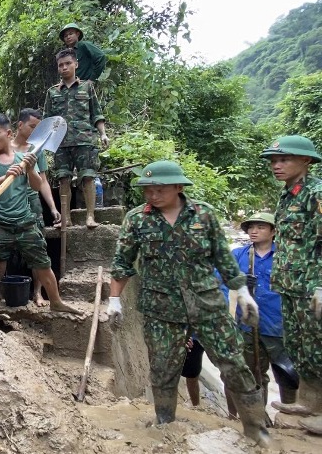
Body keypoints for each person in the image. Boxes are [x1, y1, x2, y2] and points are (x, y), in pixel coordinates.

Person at [108, 160, 271, 447]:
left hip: (206, 303)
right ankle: (164, 425)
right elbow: (122, 261)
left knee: (233, 362)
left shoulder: (204, 215)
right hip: (160, 308)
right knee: (163, 368)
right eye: (148, 190)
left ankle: (257, 429)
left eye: (160, 189)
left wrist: (242, 293)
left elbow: (223, 258)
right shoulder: (136, 219)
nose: (153, 195)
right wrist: (114, 300)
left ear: (179, 187)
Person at [0, 114, 81, 315]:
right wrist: (7, 174)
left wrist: (29, 169)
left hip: (24, 223)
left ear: (9, 133)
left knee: (43, 264)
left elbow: (36, 186)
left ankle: (56, 302)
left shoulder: (25, 158)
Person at [259, 135, 322, 434]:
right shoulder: (288, 194)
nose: (277, 166)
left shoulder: (316, 193)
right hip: (290, 285)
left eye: (284, 160)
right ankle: (311, 403)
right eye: (273, 161)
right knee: (300, 346)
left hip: (312, 287)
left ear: (306, 161)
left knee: (319, 346)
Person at [221, 212, 300, 423]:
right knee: (254, 374)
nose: (254, 231)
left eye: (261, 227)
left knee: (287, 374)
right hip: (248, 326)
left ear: (273, 232)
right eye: (251, 227)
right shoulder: (239, 255)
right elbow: (220, 281)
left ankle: (289, 416)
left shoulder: (285, 256)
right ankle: (259, 417)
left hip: (280, 325)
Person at [0, 109, 61, 306]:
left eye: (38, 128)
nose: (35, 131)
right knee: (1, 250)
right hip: (9, 202)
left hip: (32, 202)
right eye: (32, 126)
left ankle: (37, 293)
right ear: (20, 125)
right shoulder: (5, 148)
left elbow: (44, 182)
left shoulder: (36, 150)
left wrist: (53, 208)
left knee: (37, 249)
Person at [43, 48, 109, 229]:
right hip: (61, 143)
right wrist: (46, 144)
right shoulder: (52, 92)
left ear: (76, 65)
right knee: (63, 179)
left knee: (88, 177)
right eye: (60, 65)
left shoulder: (87, 87)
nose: (64, 68)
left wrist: (102, 133)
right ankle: (66, 219)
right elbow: (47, 120)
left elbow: (96, 113)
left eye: (68, 64)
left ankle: (90, 216)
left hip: (85, 140)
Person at [181, 336, 205, 407]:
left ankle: (232, 416)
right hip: (194, 337)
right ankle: (196, 406)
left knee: (229, 374)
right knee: (192, 374)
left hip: (217, 333)